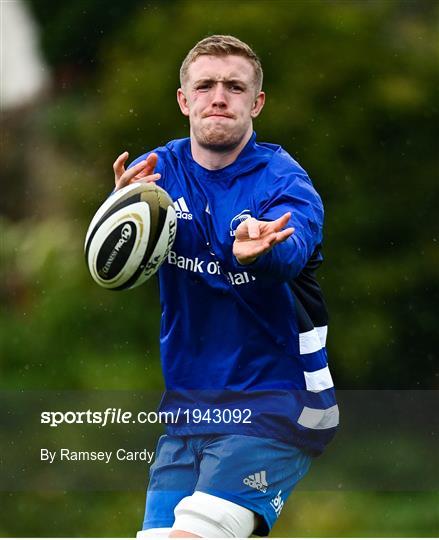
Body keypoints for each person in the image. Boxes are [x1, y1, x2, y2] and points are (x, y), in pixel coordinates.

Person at [113, 35, 338, 538]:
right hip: (188, 414)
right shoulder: (156, 174)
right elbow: (119, 258)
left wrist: (263, 251)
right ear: (184, 99)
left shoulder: (285, 183)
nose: (219, 96)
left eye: (234, 87)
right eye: (206, 85)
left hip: (276, 405)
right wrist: (119, 214)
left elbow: (292, 249)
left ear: (256, 103)